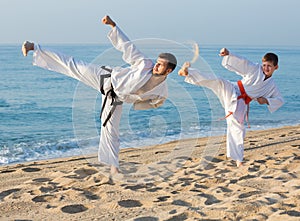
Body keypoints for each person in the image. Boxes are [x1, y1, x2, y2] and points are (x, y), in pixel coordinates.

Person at [22, 15, 177, 175]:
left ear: (168, 70)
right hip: (105, 78)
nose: (156, 65)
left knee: (111, 129)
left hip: (115, 99)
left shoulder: (162, 91)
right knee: (73, 65)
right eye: (157, 62)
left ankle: (114, 167)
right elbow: (128, 48)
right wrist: (113, 26)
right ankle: (34, 46)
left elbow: (157, 103)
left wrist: (136, 104)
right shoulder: (145, 64)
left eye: (160, 65)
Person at [178, 48, 283, 167]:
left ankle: (238, 159)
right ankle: (188, 73)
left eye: (269, 66)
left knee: (238, 127)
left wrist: (266, 100)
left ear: (276, 67)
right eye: (264, 65)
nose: (265, 68)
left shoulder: (272, 86)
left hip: (242, 102)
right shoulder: (255, 69)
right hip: (234, 89)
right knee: (219, 81)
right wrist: (229, 54)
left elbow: (279, 100)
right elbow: (244, 62)